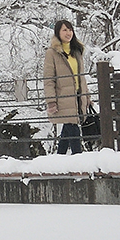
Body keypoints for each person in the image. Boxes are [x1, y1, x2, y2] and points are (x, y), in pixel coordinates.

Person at [42, 19, 90, 155]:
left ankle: (59, 159)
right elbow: (49, 79)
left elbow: (82, 77)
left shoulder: (77, 51)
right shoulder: (52, 53)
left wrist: (87, 96)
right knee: (73, 126)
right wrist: (51, 101)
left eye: (70, 30)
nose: (68, 33)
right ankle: (78, 159)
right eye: (64, 30)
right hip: (63, 98)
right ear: (58, 32)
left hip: (78, 96)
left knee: (68, 129)